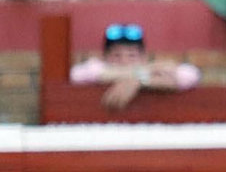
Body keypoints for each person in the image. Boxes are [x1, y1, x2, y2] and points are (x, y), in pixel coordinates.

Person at [69, 23, 200, 112]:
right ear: (105, 57)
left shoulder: (150, 69)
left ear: (143, 58)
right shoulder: (96, 67)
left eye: (131, 55)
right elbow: (76, 74)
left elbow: (190, 75)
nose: (124, 61)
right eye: (116, 55)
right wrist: (141, 75)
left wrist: (138, 81)